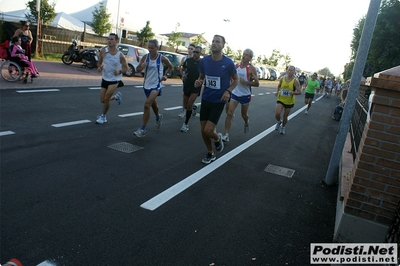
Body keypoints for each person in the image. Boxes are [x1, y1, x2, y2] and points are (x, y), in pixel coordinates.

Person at [194, 35, 239, 164]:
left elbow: (236, 80)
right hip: (206, 98)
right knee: (203, 130)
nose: (214, 43)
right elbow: (201, 76)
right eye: (213, 41)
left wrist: (228, 91)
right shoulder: (204, 61)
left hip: (218, 101)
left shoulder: (228, 63)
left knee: (208, 130)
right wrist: (199, 81)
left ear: (223, 46)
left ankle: (217, 138)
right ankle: (210, 152)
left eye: (217, 42)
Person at [133, 39, 173, 137]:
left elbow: (170, 67)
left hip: (156, 85)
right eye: (149, 47)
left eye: (152, 48)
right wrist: (141, 66)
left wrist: (166, 75)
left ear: (157, 48)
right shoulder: (145, 57)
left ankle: (143, 129)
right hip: (146, 85)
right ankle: (158, 117)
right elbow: (137, 70)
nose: (150, 50)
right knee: (153, 104)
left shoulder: (162, 58)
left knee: (147, 105)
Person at [221, 48, 259, 142]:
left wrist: (245, 82)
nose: (244, 56)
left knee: (244, 114)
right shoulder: (236, 66)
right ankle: (226, 135)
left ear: (250, 58)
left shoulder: (251, 68)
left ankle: (246, 122)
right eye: (243, 54)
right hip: (234, 93)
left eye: (246, 55)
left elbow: (257, 84)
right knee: (229, 112)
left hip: (245, 95)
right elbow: (231, 78)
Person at [95, 33, 128, 124]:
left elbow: (126, 68)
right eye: (108, 39)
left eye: (112, 39)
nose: (109, 41)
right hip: (105, 78)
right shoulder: (103, 51)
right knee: (102, 100)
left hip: (115, 79)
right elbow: (99, 63)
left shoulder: (120, 55)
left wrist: (119, 72)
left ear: (117, 41)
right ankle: (116, 97)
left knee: (106, 99)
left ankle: (103, 117)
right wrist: (99, 67)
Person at [179, 45, 203, 132]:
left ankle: (186, 124)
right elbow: (182, 68)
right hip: (187, 84)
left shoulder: (202, 63)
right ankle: (194, 108)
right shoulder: (188, 61)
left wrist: (201, 80)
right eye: (194, 52)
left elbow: (205, 74)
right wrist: (183, 75)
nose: (195, 54)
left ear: (201, 53)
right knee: (186, 105)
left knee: (189, 104)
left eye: (197, 52)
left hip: (196, 86)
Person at [274, 65, 301, 135]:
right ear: (286, 71)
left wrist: (293, 93)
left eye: (291, 70)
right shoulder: (282, 79)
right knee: (277, 114)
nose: (290, 71)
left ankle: (283, 127)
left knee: (285, 116)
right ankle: (279, 121)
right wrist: (277, 92)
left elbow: (299, 92)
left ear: (294, 72)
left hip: (289, 101)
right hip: (281, 99)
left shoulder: (295, 81)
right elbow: (278, 86)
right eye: (289, 70)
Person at [178, 43, 196, 118]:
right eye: (189, 48)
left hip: (193, 80)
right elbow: (181, 68)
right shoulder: (184, 58)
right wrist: (182, 74)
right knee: (184, 95)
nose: (190, 50)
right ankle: (184, 110)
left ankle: (192, 107)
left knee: (190, 97)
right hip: (186, 79)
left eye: (192, 49)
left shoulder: (196, 59)